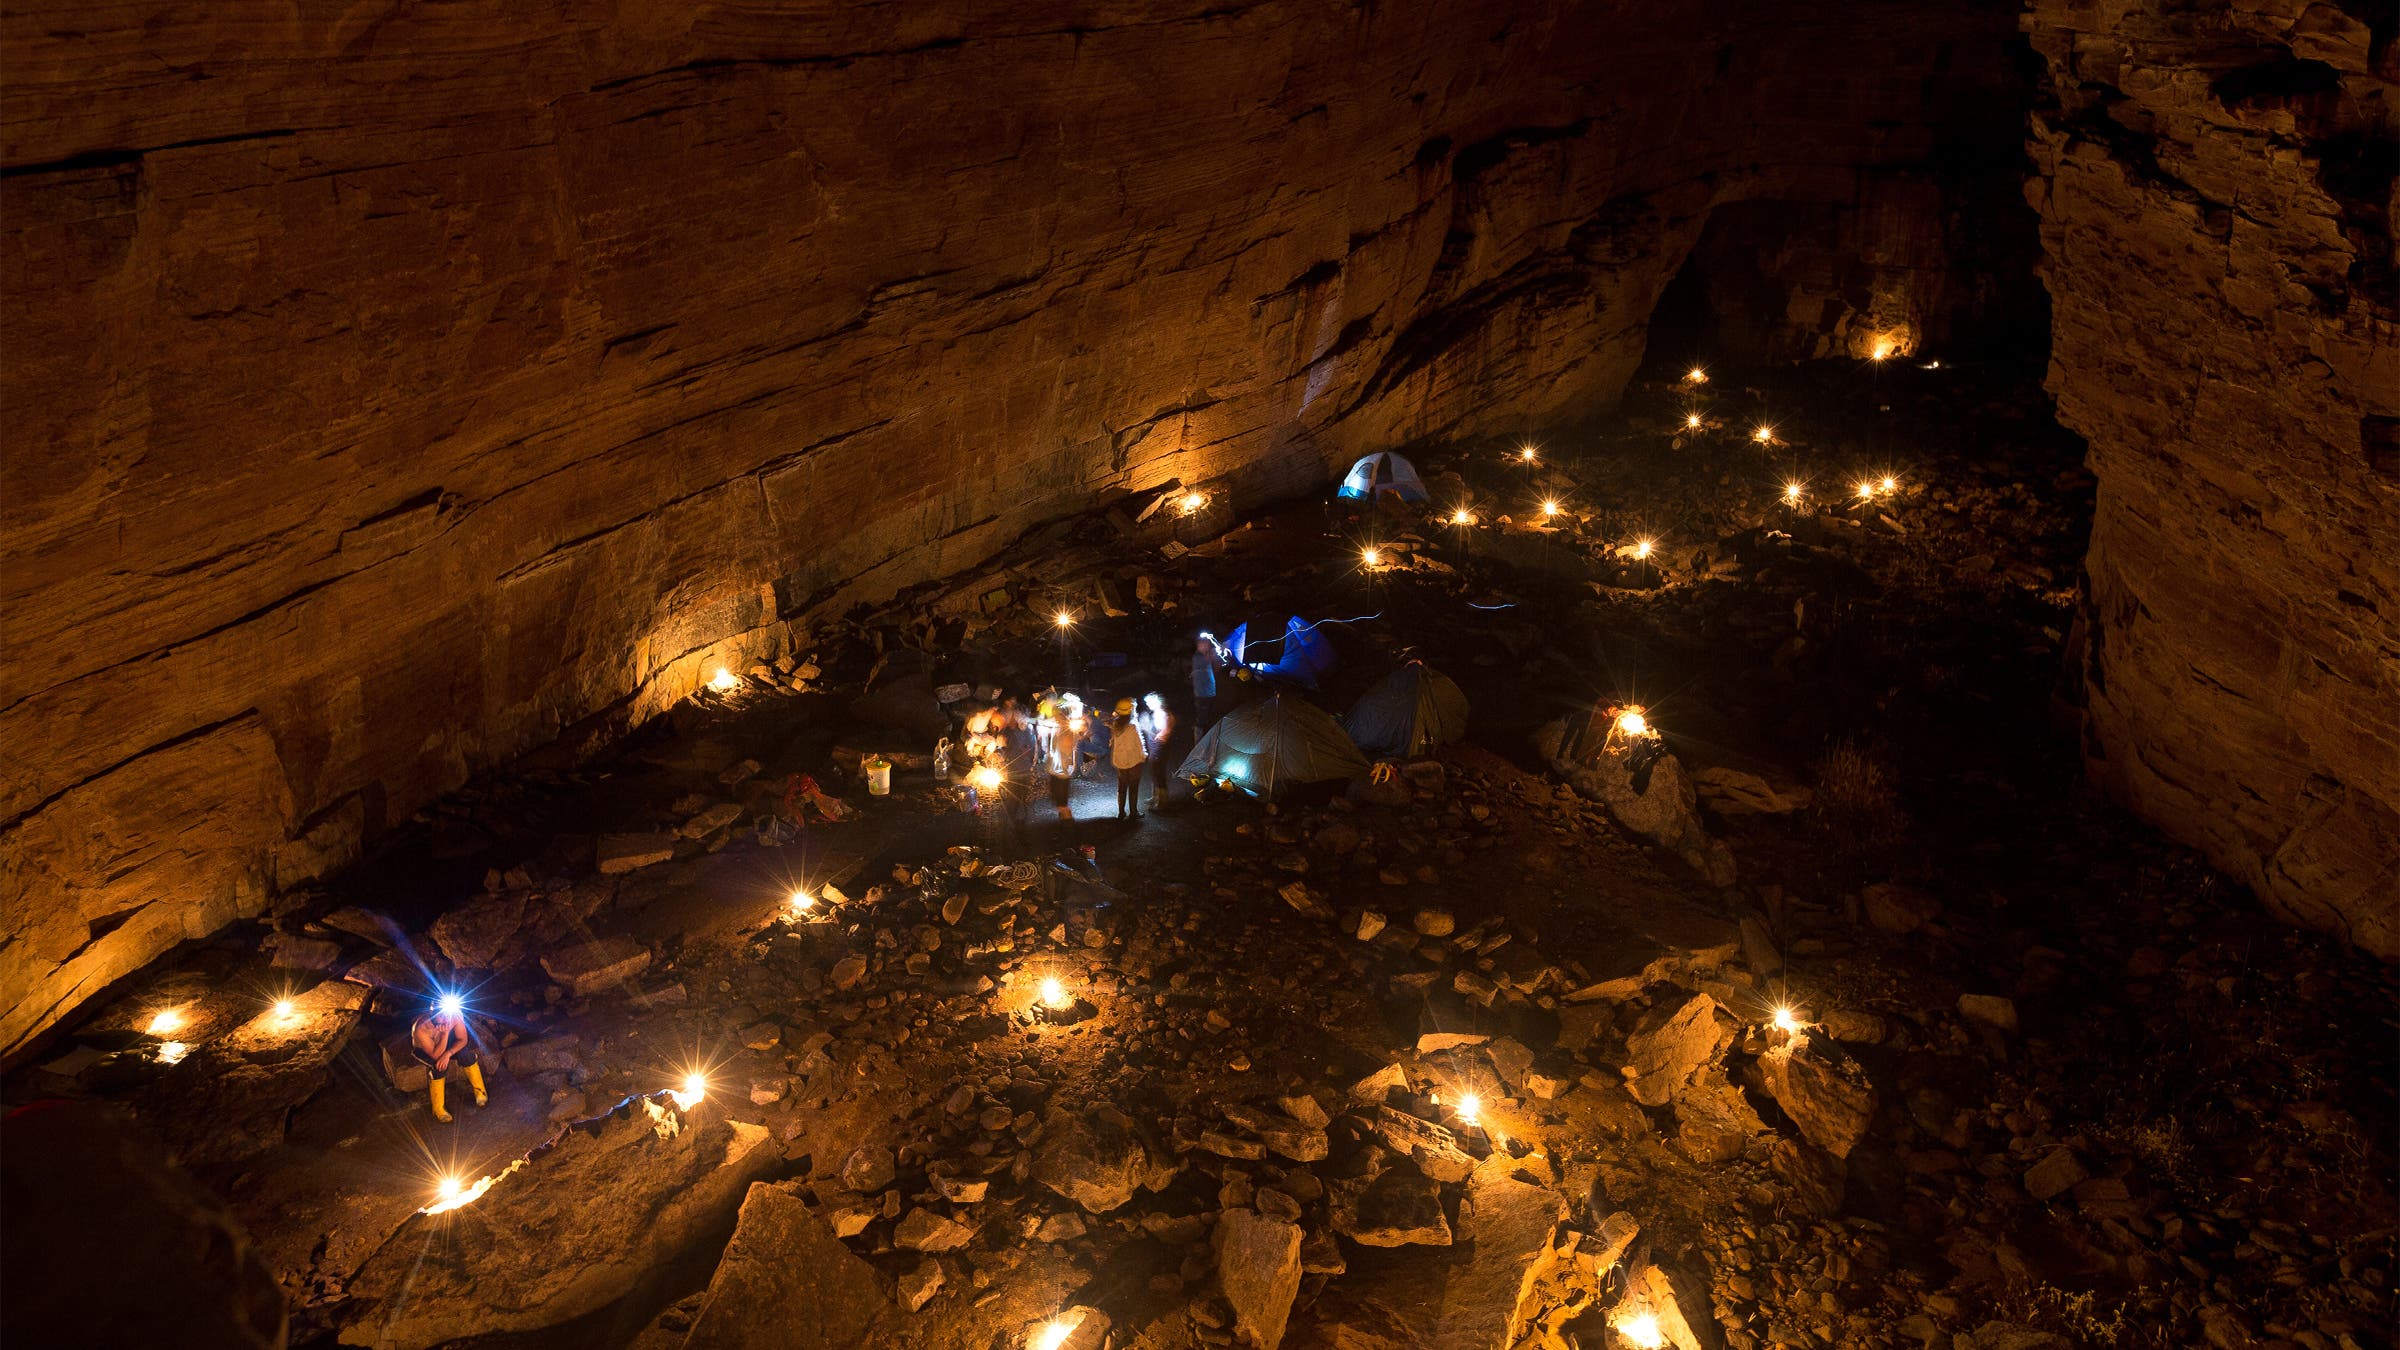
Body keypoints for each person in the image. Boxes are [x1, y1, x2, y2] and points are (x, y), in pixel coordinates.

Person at [411, 1000, 486, 1123]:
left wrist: (448, 1053)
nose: (446, 1019)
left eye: (447, 1015)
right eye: (441, 1015)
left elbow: (462, 1039)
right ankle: (438, 1109)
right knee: (438, 1067)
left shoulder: (454, 1015)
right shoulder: (421, 1028)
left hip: (445, 1046)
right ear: (432, 1015)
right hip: (426, 1050)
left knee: (466, 1055)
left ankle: (480, 1093)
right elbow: (436, 1055)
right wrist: (445, 1034)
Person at [1049, 697, 1086, 821]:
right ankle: (1063, 812)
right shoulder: (1057, 726)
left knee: (1061, 788)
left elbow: (1070, 744)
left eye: (1058, 715)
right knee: (1055, 788)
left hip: (1063, 765)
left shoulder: (1068, 728)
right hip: (1055, 765)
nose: (1056, 717)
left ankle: (1066, 816)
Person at [1109, 708, 1148, 820]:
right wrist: (1143, 756)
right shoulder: (1133, 727)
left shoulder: (1115, 725)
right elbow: (1139, 745)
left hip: (1121, 762)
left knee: (1121, 788)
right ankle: (1133, 812)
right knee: (1133, 788)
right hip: (1133, 762)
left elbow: (1113, 743)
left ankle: (1121, 812)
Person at [1139, 693, 1174, 812]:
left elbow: (1163, 737)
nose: (1148, 704)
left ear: (1157, 702)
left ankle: (1162, 802)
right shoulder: (1155, 713)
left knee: (1159, 774)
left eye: (1150, 702)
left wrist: (1148, 730)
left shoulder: (1164, 716)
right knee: (1154, 772)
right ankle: (1155, 797)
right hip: (1154, 749)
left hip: (1159, 750)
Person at [1191, 632, 1224, 728]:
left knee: (1208, 713)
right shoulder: (1197, 657)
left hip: (1209, 692)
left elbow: (1217, 663)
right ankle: (1199, 734)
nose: (1208, 646)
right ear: (1199, 645)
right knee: (1202, 715)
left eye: (1208, 645)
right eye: (1206, 644)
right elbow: (1209, 657)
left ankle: (1206, 728)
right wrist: (1217, 649)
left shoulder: (1206, 656)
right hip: (1202, 693)